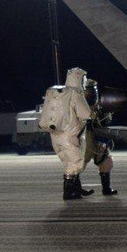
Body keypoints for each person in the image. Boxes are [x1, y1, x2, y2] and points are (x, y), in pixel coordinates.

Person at [47, 68, 96, 200]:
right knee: (75, 163)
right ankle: (69, 192)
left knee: (69, 162)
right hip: (69, 136)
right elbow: (85, 113)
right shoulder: (75, 93)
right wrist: (93, 115)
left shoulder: (60, 93)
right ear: (79, 78)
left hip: (56, 135)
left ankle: (76, 189)